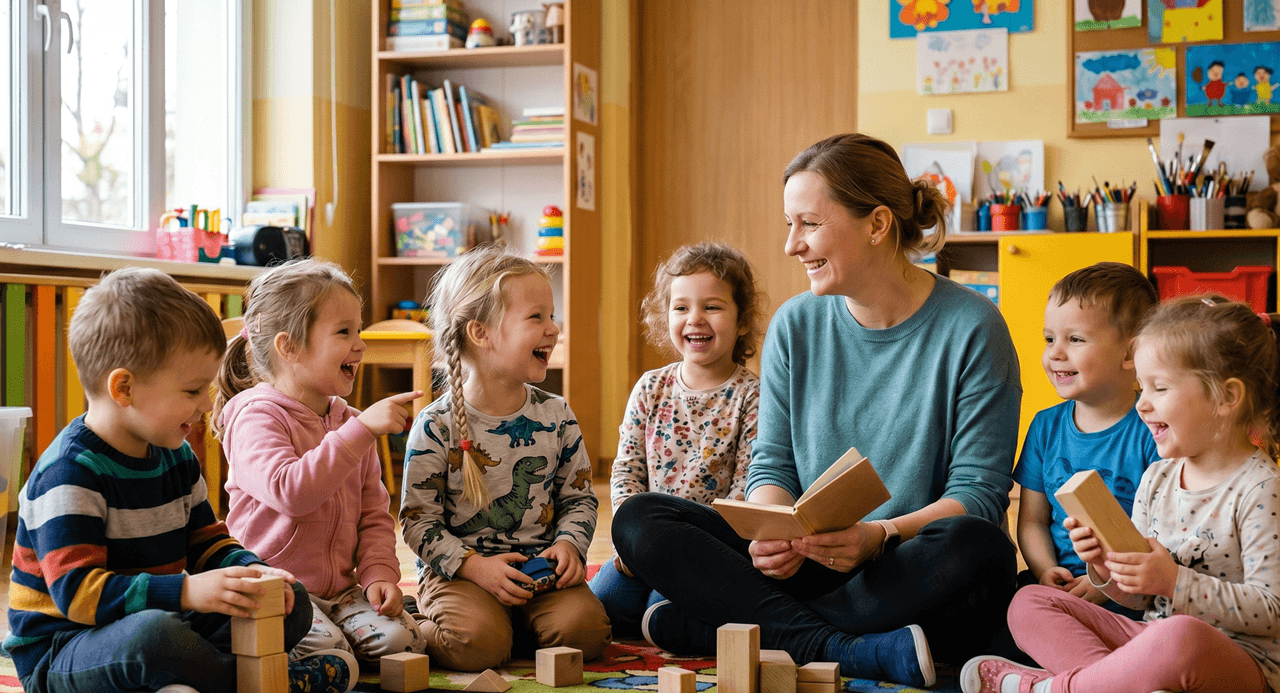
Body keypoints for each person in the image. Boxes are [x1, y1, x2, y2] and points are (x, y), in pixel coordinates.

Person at [612, 133, 1022, 689]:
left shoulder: (973, 327)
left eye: (808, 224)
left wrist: (877, 536)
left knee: (983, 550)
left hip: (901, 559)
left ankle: (726, 627)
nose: (791, 245)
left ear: (877, 225)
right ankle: (834, 646)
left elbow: (977, 493)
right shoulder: (794, 324)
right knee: (640, 520)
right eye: (790, 224)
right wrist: (770, 529)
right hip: (806, 563)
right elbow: (774, 465)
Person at [3, 268, 354, 693]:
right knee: (151, 638)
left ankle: (200, 676)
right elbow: (80, 595)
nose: (207, 404)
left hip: (161, 618)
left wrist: (253, 573)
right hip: (66, 648)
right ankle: (256, 683)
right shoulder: (68, 474)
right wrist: (187, 593)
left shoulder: (175, 454)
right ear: (125, 388)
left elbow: (206, 542)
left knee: (290, 601)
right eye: (192, 391)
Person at [963, 295, 1280, 693]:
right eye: (1141, 388)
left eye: (1159, 388)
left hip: (1235, 661)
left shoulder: (1262, 488)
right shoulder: (1157, 478)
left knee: (1181, 636)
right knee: (1029, 603)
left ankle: (1055, 689)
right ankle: (1115, 683)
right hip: (1153, 642)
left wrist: (1174, 583)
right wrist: (1104, 568)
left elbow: (1272, 611)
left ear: (1226, 398)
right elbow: (1139, 601)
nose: (1143, 405)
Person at [401, 245, 610, 672]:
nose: (553, 329)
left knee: (586, 633)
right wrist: (474, 568)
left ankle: (514, 625)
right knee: (475, 646)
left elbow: (579, 498)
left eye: (552, 316)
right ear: (481, 333)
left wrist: (570, 544)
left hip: (541, 568)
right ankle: (413, 622)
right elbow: (417, 521)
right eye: (537, 317)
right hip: (463, 573)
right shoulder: (436, 425)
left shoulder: (556, 414)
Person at [214, 259, 425, 670]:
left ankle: (339, 640)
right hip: (277, 592)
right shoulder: (256, 416)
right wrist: (360, 431)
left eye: (358, 330)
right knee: (328, 655)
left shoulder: (347, 421)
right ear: (288, 346)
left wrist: (379, 573)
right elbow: (291, 492)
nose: (360, 345)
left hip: (341, 590)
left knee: (405, 642)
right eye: (344, 332)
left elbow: (373, 513)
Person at [589, 242, 763, 636]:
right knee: (603, 607)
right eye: (681, 307)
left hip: (706, 552)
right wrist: (631, 539)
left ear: (741, 322)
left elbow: (745, 490)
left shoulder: (752, 395)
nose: (695, 319)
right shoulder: (651, 387)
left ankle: (694, 617)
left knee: (662, 612)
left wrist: (677, 551)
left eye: (712, 307)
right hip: (644, 543)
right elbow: (627, 471)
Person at [1013, 263, 1160, 620]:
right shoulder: (1045, 427)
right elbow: (1032, 520)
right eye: (1050, 339)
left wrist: (1103, 581)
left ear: (1130, 354)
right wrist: (1044, 570)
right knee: (1016, 605)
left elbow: (1162, 533)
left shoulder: (1154, 430)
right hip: (1059, 590)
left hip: (1129, 593)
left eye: (1075, 339)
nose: (1055, 354)